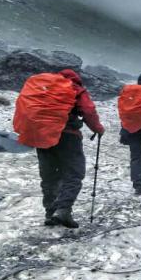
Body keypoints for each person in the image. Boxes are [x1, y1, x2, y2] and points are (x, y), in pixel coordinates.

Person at [37, 69, 105, 228]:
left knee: (49, 176)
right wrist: (98, 128)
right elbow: (88, 110)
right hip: (67, 136)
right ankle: (63, 210)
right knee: (74, 173)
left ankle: (50, 213)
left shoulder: (45, 88)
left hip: (43, 136)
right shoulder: (75, 88)